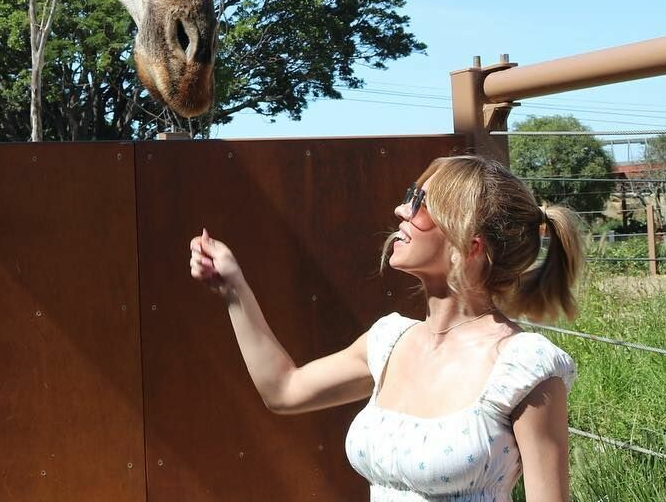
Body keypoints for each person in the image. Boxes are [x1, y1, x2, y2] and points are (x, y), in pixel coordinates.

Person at [188, 154, 585, 501]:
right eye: (411, 195)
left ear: (470, 246)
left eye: (421, 203)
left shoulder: (522, 367)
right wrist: (233, 288)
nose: (400, 210)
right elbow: (283, 390)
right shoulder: (387, 342)